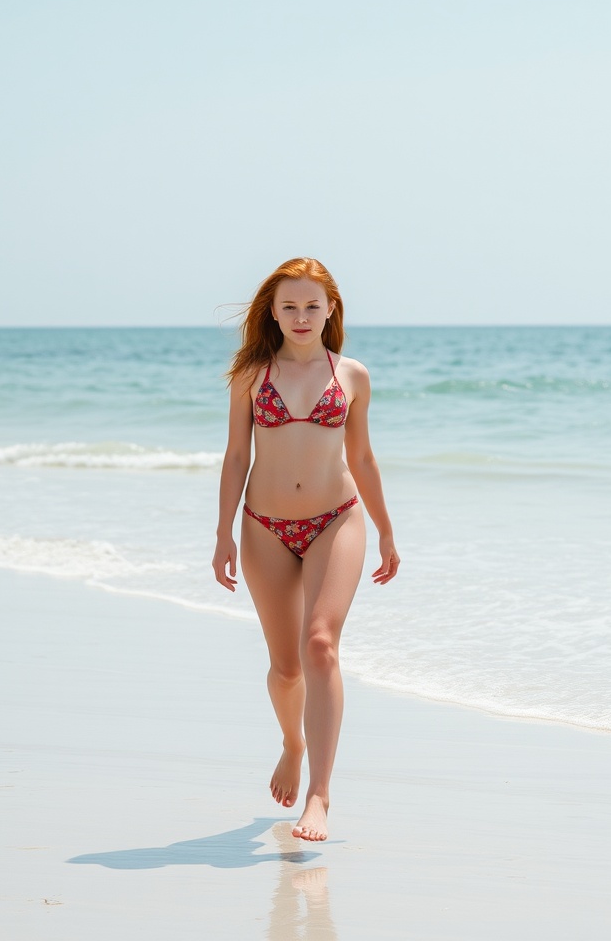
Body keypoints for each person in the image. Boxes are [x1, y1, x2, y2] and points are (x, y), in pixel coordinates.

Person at [212, 257, 399, 842]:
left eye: (312, 306)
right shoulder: (251, 375)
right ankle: (292, 743)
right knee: (286, 666)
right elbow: (237, 456)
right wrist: (222, 535)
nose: (301, 316)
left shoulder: (352, 375)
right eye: (289, 306)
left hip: (335, 521)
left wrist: (386, 530)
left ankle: (319, 794)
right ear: (273, 310)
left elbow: (363, 459)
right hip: (264, 526)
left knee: (320, 644)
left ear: (331, 309)